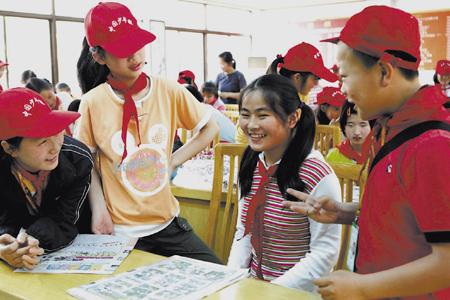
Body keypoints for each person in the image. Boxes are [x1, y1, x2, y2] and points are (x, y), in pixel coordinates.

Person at [283, 5, 450, 299]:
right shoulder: (389, 126)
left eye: (345, 77)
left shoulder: (432, 144)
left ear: (384, 71)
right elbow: (409, 216)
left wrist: (363, 287)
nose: (342, 89)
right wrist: (346, 212)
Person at [75, 2, 220, 264]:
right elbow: (87, 164)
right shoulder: (92, 102)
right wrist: (98, 209)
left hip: (167, 223)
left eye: (137, 44)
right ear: (98, 56)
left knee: (216, 273)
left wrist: (174, 160)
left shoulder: (169, 90)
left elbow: (210, 128)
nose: (134, 56)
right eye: (122, 50)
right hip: (118, 230)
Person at [228, 74, 341, 292]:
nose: (251, 125)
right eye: (245, 115)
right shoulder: (251, 161)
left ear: (292, 118)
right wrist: (232, 280)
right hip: (253, 286)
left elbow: (324, 253)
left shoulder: (317, 173)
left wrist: (272, 292)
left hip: (295, 291)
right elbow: (244, 230)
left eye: (262, 115)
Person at [0, 87, 93, 269]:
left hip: (65, 251)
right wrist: (5, 245)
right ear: (10, 149)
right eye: (42, 141)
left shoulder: (77, 161)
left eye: (57, 131)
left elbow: (64, 218)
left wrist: (30, 242)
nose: (55, 147)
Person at [235, 42, 339, 145]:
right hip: (249, 151)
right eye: (315, 78)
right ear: (297, 77)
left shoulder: (300, 95)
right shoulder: (274, 95)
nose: (316, 83)